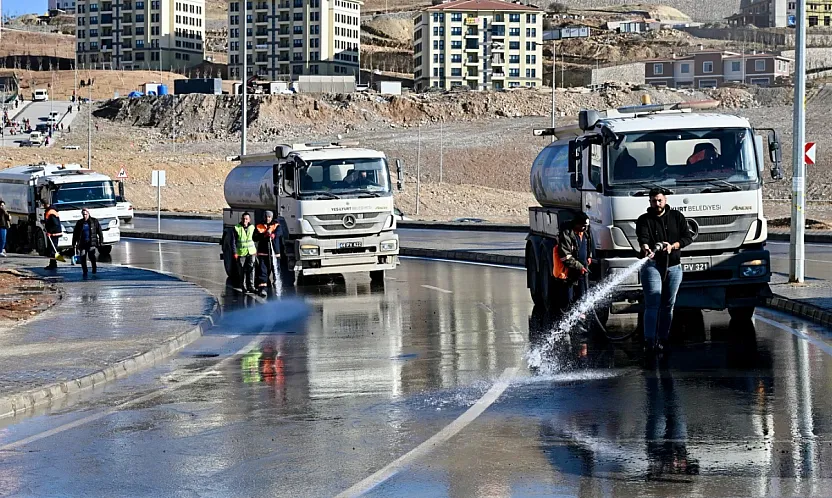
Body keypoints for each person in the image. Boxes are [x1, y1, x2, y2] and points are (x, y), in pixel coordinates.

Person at [636, 189, 693, 354]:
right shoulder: (644, 220)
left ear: (665, 200)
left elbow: (687, 238)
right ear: (650, 202)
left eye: (659, 200)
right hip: (652, 266)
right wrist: (646, 248)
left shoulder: (677, 217)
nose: (657, 204)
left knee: (668, 305)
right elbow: (643, 238)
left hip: (674, 266)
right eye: (654, 201)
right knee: (653, 302)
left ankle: (663, 339)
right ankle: (649, 341)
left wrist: (672, 246)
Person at [555, 212, 594, 315]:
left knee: (583, 297)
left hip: (582, 271)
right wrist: (579, 266)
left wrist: (589, 256)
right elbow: (565, 256)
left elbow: (588, 244)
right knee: (568, 299)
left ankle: (580, 322)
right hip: (569, 273)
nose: (584, 228)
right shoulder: (566, 234)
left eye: (586, 226)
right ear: (576, 224)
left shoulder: (586, 231)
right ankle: (565, 323)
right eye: (582, 226)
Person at [253, 210, 280, 296]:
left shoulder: (276, 225)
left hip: (274, 254)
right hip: (263, 253)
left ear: (271, 218)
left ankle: (277, 288)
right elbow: (255, 237)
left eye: (269, 217)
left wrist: (273, 235)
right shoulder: (259, 226)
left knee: (276, 272)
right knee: (263, 272)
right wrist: (264, 235)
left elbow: (280, 233)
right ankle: (263, 289)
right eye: (266, 217)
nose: (267, 218)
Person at [72, 208, 103, 276]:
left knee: (91, 256)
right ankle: (85, 271)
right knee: (82, 257)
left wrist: (101, 241)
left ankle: (94, 269)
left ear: (88, 213)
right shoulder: (80, 222)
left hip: (91, 242)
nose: (84, 216)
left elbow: (99, 231)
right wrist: (74, 243)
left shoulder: (94, 221)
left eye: (85, 214)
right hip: (82, 242)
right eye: (83, 214)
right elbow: (75, 233)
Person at [232, 212, 257, 293]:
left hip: (251, 252)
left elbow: (255, 239)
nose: (245, 220)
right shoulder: (236, 228)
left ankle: (251, 286)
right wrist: (235, 252)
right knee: (242, 270)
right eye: (243, 219)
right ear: (241, 219)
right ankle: (243, 286)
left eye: (246, 219)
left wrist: (256, 250)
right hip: (241, 253)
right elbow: (233, 242)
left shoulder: (252, 227)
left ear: (249, 219)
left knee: (251, 269)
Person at [42, 200, 63, 270]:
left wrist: (50, 232)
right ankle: (53, 264)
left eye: (43, 205)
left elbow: (55, 224)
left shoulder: (51, 212)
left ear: (45, 204)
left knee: (53, 250)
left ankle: (53, 264)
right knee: (52, 249)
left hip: (54, 234)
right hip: (53, 233)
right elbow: (49, 221)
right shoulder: (51, 210)